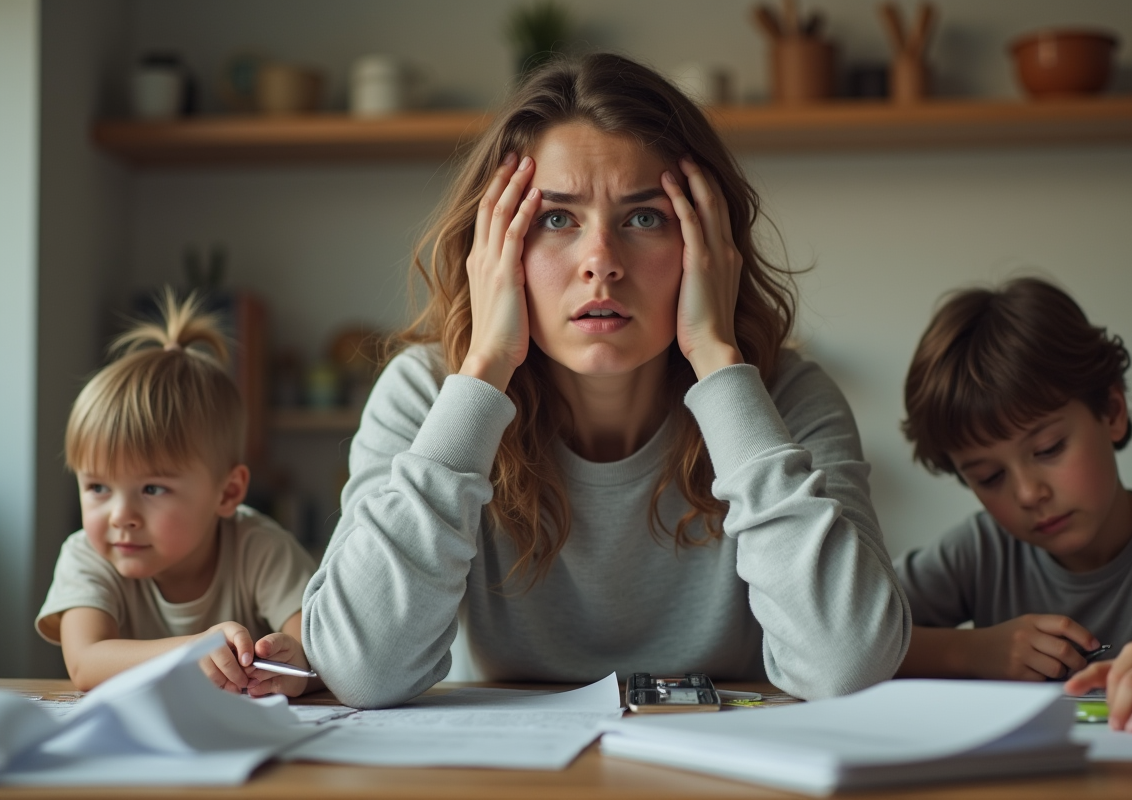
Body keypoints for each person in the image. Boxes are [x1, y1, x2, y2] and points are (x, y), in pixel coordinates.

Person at [302, 53, 910, 709]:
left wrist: (716, 358)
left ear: (708, 246)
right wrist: (484, 371)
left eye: (644, 218)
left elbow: (850, 667)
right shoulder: (426, 394)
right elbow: (360, 671)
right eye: (555, 219)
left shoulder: (786, 397)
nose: (601, 263)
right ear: (495, 248)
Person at [894, 277, 1132, 732]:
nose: (1027, 493)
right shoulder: (981, 550)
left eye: (1049, 448)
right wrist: (971, 651)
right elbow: (845, 640)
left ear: (1112, 412)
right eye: (989, 477)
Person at [37, 290, 319, 697]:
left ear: (228, 492)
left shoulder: (261, 548)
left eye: (152, 488)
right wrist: (193, 650)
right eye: (97, 486)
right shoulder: (86, 555)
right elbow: (85, 662)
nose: (120, 515)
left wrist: (292, 663)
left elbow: (315, 650)